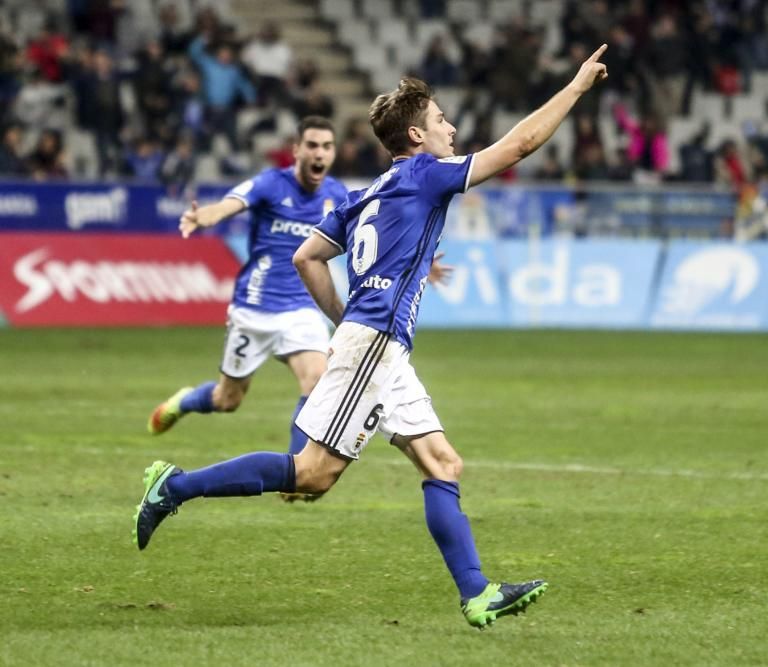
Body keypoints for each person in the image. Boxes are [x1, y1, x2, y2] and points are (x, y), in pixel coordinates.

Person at [133, 44, 610, 628]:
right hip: (377, 339)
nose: (452, 128)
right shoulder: (428, 175)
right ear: (416, 134)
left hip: (379, 342)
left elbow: (309, 256)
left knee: (442, 463)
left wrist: (344, 316)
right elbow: (520, 146)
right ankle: (174, 487)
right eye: (440, 120)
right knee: (312, 474)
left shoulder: (364, 194)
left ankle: (478, 593)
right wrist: (576, 88)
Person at [146, 116, 348, 472]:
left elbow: (372, 231)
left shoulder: (337, 195)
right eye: (312, 145)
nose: (319, 153)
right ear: (297, 150)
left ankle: (298, 471)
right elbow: (231, 204)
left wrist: (422, 263)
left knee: (317, 380)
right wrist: (206, 216)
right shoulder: (271, 183)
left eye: (327, 147)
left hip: (302, 307)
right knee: (227, 399)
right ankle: (184, 402)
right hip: (254, 308)